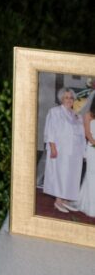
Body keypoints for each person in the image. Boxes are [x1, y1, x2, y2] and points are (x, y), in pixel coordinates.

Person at [42, 82, 84, 212]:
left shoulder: (76, 115)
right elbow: (50, 131)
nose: (69, 100)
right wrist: (53, 147)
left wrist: (83, 152)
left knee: (71, 175)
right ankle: (58, 201)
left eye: (71, 97)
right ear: (61, 99)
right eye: (66, 97)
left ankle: (65, 199)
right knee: (61, 174)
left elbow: (81, 134)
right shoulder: (55, 112)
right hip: (60, 149)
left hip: (75, 151)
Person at [79, 96, 95, 222]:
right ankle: (90, 207)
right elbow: (87, 133)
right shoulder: (88, 114)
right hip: (92, 149)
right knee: (91, 176)